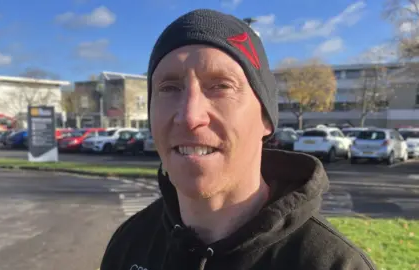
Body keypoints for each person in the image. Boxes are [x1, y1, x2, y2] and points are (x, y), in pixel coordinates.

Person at [101, 9, 376, 270]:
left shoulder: (332, 264)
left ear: (266, 118)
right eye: (169, 88)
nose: (189, 116)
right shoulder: (130, 244)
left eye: (221, 86)